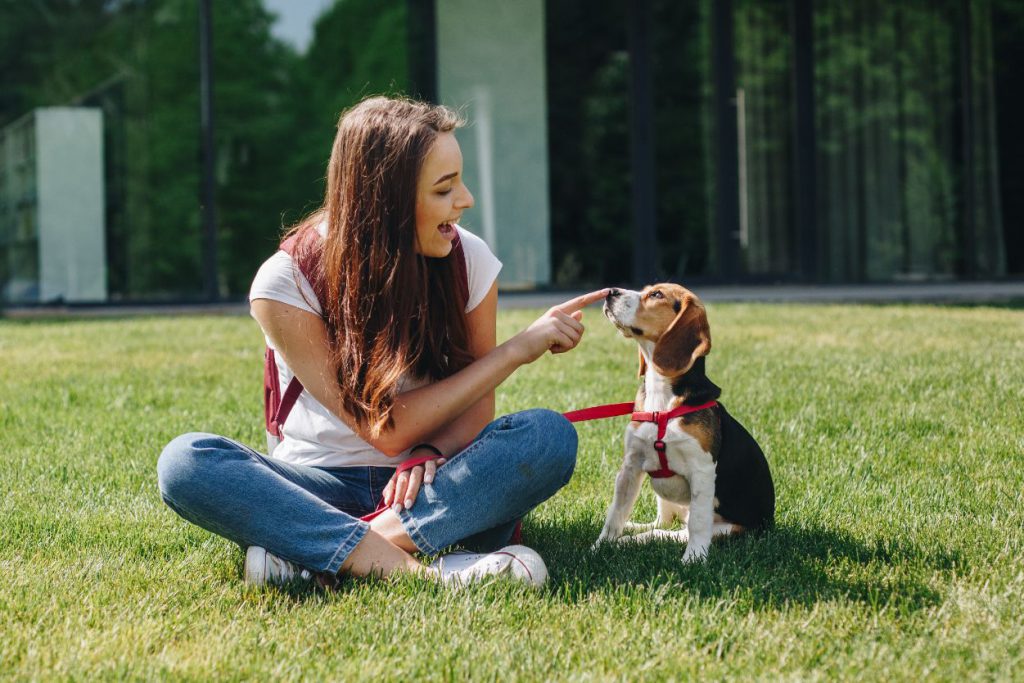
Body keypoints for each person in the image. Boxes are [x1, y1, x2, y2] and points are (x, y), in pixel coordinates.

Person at [156, 96, 606, 588]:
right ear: (386, 200)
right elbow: (384, 430)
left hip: (436, 484)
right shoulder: (286, 281)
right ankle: (416, 571)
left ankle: (316, 555)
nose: (466, 200)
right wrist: (517, 350)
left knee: (548, 436)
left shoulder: (469, 258)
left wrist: (430, 448)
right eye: (444, 188)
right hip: (317, 486)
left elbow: (475, 415)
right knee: (186, 462)